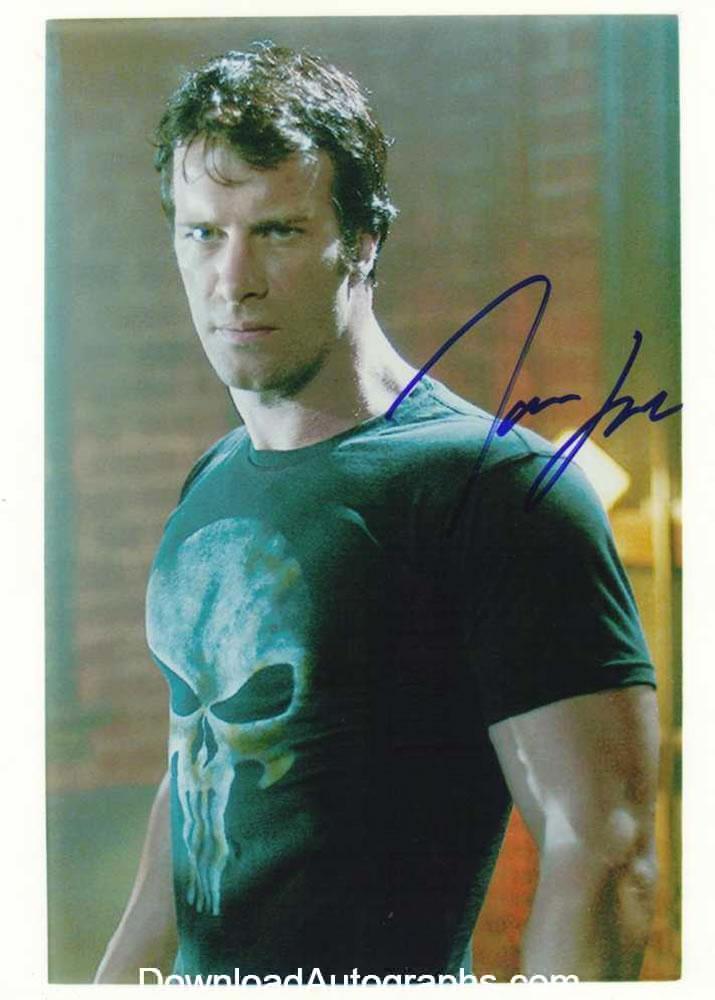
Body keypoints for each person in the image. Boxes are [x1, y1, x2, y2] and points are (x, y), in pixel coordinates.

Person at [95, 42, 659, 984]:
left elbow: (601, 852)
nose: (233, 276)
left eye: (277, 231)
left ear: (360, 240)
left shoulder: (493, 487)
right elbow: (195, 787)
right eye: (202, 233)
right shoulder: (212, 481)